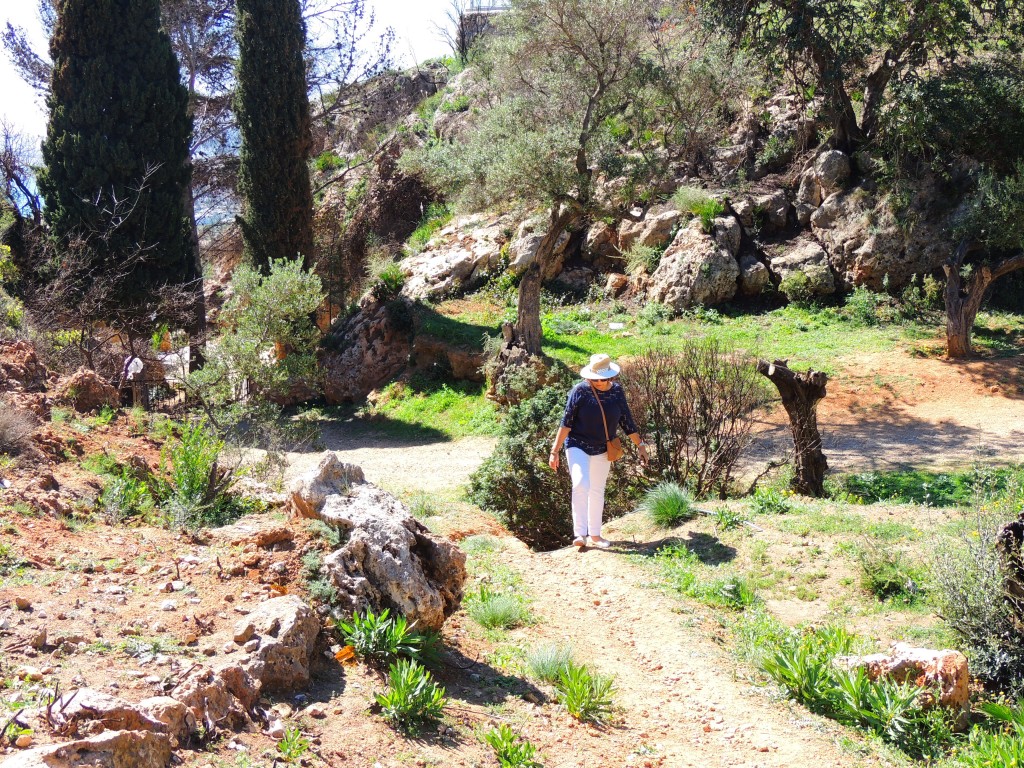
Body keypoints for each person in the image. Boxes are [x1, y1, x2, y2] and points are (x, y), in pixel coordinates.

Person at [549, 353, 648, 548]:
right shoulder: (579, 391)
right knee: (580, 484)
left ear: (611, 376)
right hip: (577, 444)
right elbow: (566, 423)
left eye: (603, 379)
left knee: (596, 489)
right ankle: (579, 534)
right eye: (595, 379)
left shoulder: (617, 392)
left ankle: (595, 535)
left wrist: (641, 445)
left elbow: (626, 421)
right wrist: (555, 450)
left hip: (603, 447)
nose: (599, 382)